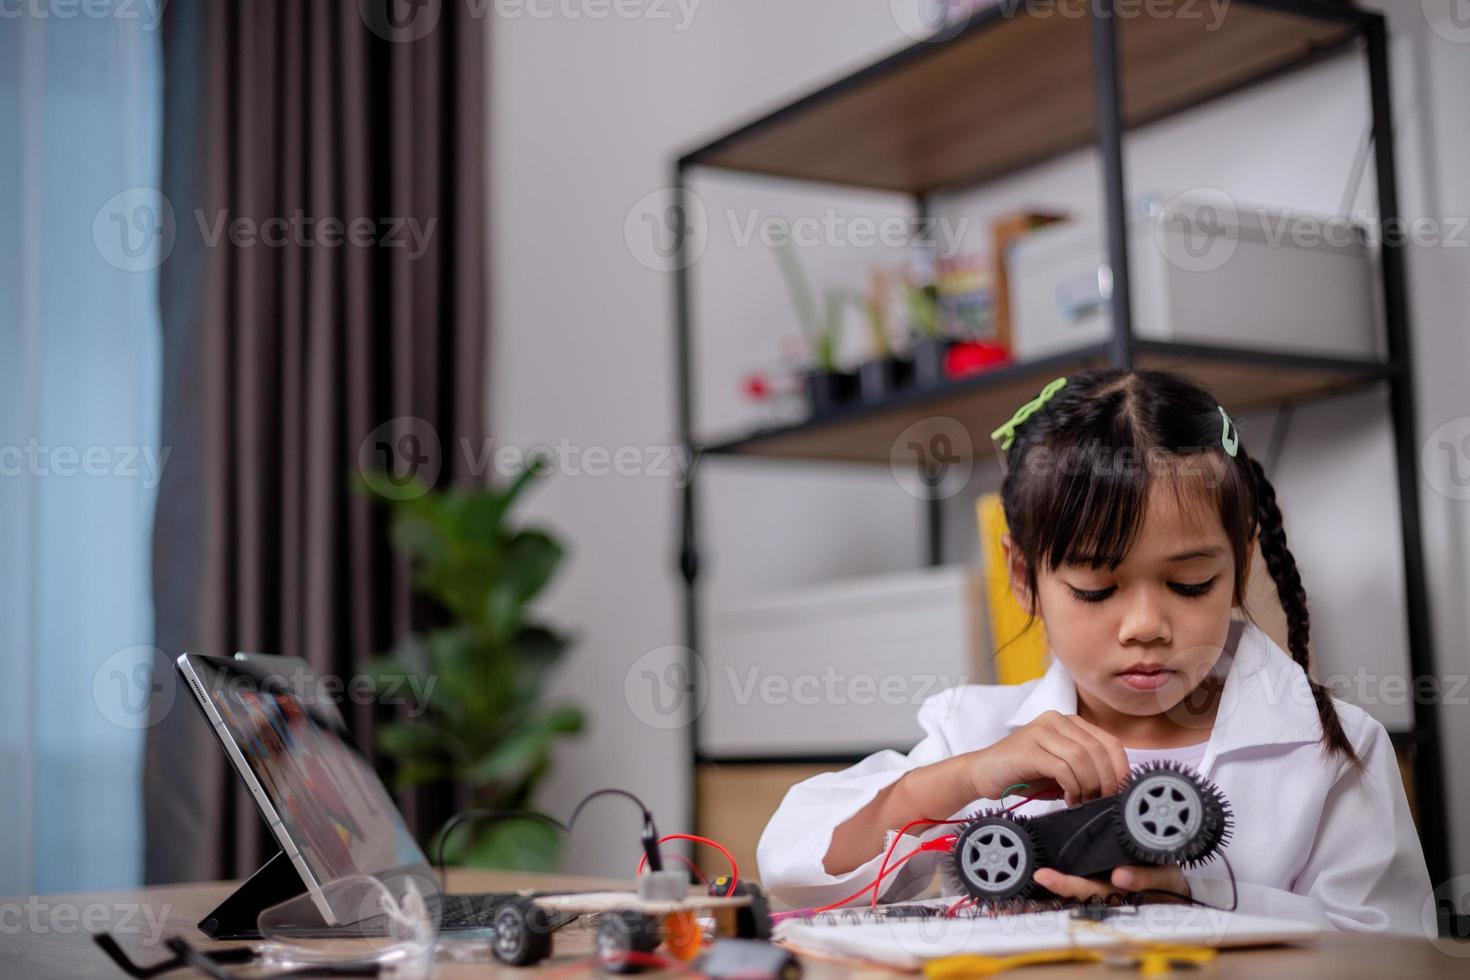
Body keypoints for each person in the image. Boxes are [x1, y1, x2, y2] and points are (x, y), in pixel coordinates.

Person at [756, 368, 1432, 933]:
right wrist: (960, 778)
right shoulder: (976, 734)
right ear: (1023, 577)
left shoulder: (1330, 748)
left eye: (1190, 583)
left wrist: (1199, 903)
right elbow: (794, 868)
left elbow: (1395, 949)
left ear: (1239, 562)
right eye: (1096, 589)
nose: (1145, 625)